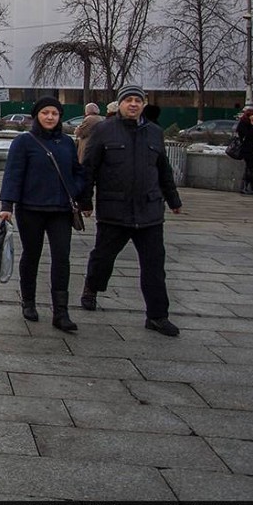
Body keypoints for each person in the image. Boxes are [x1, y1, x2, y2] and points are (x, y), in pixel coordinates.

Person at [77, 84, 183, 337]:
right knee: (103, 258)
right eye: (128, 100)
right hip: (115, 210)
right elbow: (89, 167)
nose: (133, 104)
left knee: (154, 266)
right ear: (120, 104)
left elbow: (163, 170)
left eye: (138, 100)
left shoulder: (154, 133)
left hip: (149, 211)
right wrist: (85, 201)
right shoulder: (103, 130)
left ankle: (157, 316)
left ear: (144, 104)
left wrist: (173, 199)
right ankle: (92, 287)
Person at [0, 96, 84, 331]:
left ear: (59, 117)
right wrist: (7, 206)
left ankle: (61, 312)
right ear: (37, 115)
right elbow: (13, 175)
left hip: (60, 210)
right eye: (45, 113)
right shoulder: (24, 142)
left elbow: (78, 171)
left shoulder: (67, 142)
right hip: (31, 209)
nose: (50, 117)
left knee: (61, 258)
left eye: (54, 114)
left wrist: (77, 191)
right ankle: (29, 302)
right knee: (31, 255)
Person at [235, 106, 253, 195]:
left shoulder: (252, 124)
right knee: (250, 169)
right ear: (249, 116)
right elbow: (248, 135)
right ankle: (244, 186)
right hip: (247, 150)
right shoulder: (243, 124)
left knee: (252, 169)